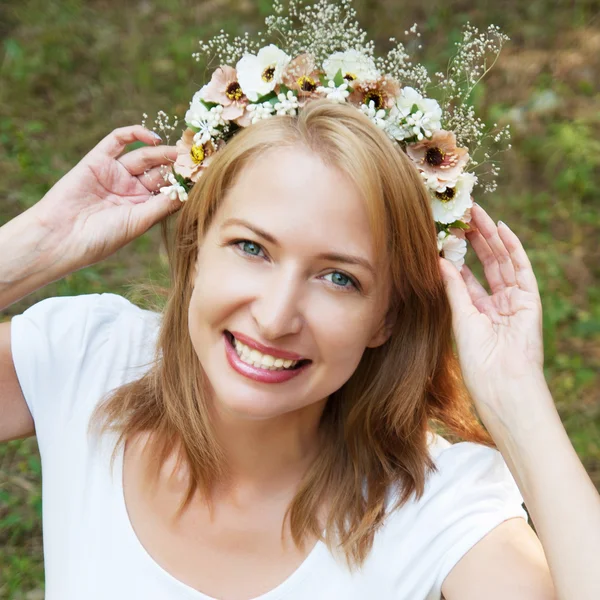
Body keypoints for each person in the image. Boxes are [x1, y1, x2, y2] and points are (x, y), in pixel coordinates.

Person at [1, 99, 599, 600]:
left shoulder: (439, 506)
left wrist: (516, 396)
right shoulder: (90, 358)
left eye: (339, 278)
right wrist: (31, 247)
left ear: (384, 318)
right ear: (196, 245)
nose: (275, 315)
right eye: (252, 248)